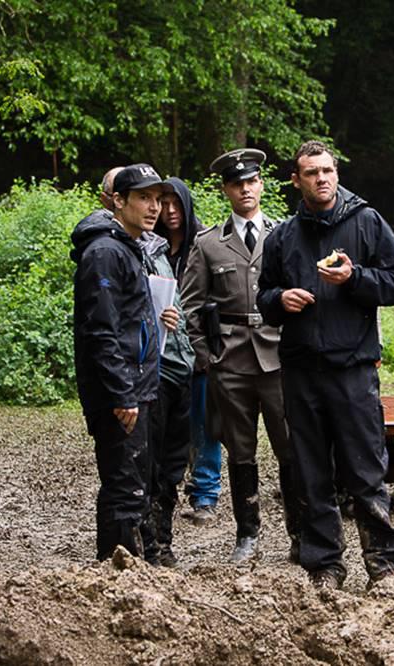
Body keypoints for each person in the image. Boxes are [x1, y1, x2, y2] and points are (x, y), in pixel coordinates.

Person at [257, 140, 394, 590]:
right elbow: (264, 298)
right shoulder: (283, 236)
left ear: (337, 174)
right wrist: (280, 300)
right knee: (311, 473)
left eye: (327, 171)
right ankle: (324, 565)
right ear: (296, 180)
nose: (321, 179)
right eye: (311, 173)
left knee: (365, 470)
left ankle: (383, 565)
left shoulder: (366, 222)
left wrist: (355, 278)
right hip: (301, 369)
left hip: (353, 368)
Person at [181, 148, 298, 563]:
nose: (245, 189)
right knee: (241, 451)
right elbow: (191, 305)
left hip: (278, 358)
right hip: (229, 360)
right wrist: (207, 356)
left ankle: (298, 533)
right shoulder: (209, 243)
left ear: (262, 185)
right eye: (237, 184)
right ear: (226, 190)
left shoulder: (285, 234)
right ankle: (247, 534)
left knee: (290, 449)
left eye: (251, 182)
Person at [71, 163, 162, 561]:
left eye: (158, 198)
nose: (154, 206)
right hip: (118, 392)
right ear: (118, 201)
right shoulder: (105, 252)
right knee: (125, 487)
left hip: (136, 384)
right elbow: (101, 331)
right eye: (144, 197)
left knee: (135, 481)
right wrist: (122, 393)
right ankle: (119, 575)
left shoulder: (128, 245)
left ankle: (132, 566)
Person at [135, 179, 197, 566]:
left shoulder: (165, 251)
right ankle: (147, 542)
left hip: (180, 367)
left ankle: (163, 538)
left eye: (164, 201)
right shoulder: (126, 249)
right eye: (154, 200)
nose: (161, 209)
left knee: (174, 462)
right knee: (150, 462)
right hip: (152, 371)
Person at [156, 178, 223, 524]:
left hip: (199, 349)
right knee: (167, 426)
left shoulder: (204, 243)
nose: (169, 212)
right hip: (161, 353)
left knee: (204, 423)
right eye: (162, 203)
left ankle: (205, 494)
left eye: (175, 204)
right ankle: (165, 487)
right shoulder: (150, 247)